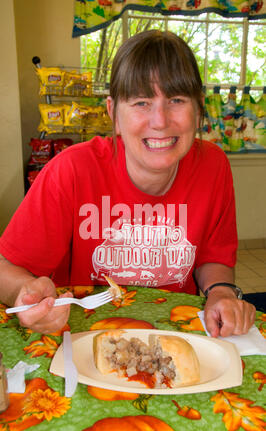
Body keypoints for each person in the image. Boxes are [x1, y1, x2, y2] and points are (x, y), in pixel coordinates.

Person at [0, 30, 256, 336]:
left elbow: (214, 258)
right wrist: (25, 293)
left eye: (176, 100)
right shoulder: (70, 170)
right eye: (141, 102)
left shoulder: (213, 166)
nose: (160, 121)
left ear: (199, 109)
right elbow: (6, 271)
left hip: (177, 334)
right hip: (81, 337)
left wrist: (222, 293)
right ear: (113, 113)